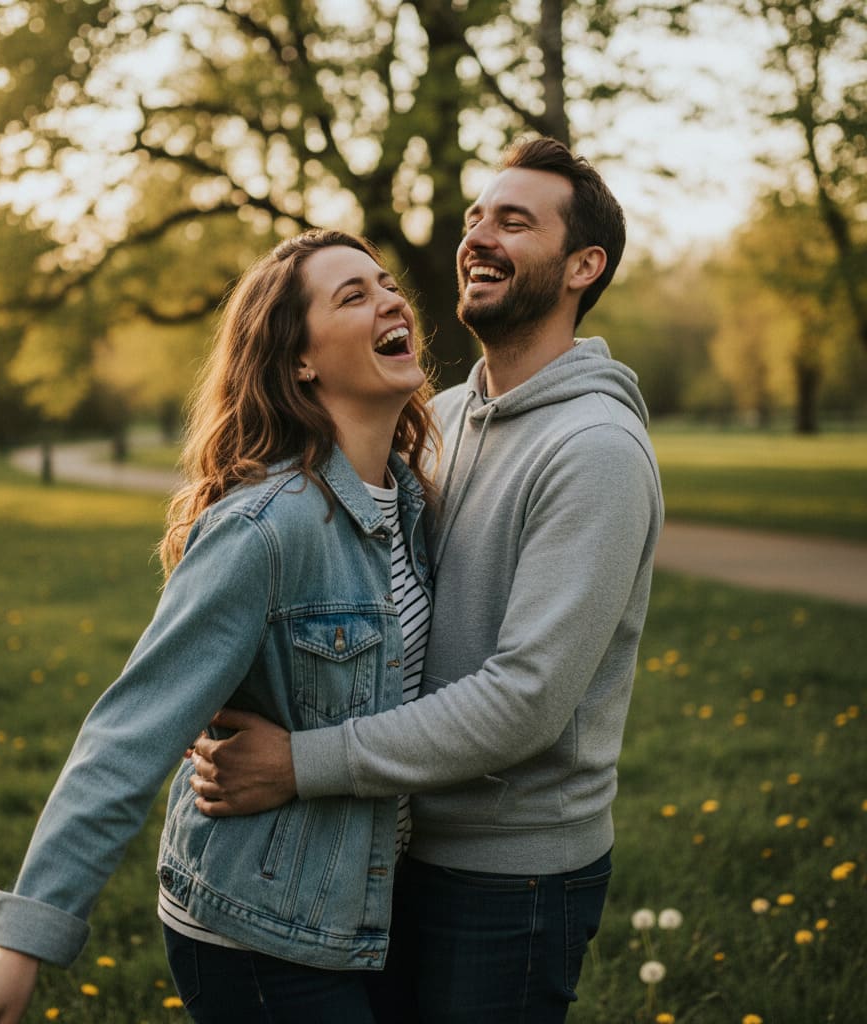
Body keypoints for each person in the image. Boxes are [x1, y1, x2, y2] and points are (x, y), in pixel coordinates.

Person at [188, 137, 665, 1023]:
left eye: (514, 223)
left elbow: (525, 699)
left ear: (582, 266)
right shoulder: (438, 419)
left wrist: (300, 762)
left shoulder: (595, 453)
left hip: (513, 877)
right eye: (477, 216)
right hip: (392, 845)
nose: (477, 235)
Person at [0, 228, 440, 1024]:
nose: (389, 299)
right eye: (353, 294)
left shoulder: (410, 506)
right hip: (256, 934)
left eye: (386, 284)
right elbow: (130, 730)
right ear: (298, 363)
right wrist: (23, 943)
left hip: (362, 913)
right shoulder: (265, 531)